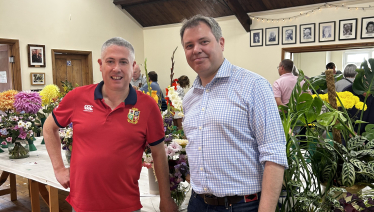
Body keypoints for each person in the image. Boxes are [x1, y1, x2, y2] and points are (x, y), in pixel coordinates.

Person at [43, 37, 177, 212]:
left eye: (123, 62)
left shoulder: (148, 106)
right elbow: (48, 128)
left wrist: (165, 199)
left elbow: (159, 154)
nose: (117, 68)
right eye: (110, 61)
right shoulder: (77, 97)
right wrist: (59, 169)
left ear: (133, 66)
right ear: (100, 64)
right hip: (83, 205)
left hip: (126, 205)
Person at [180, 15, 288, 212]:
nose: (196, 50)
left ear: (221, 43)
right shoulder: (189, 98)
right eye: (189, 45)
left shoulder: (253, 86)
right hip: (197, 204)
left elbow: (274, 154)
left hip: (242, 206)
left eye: (204, 41)